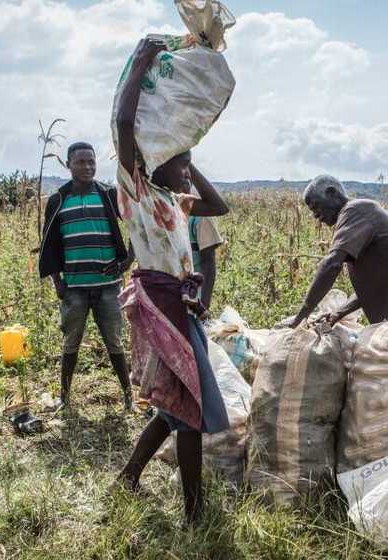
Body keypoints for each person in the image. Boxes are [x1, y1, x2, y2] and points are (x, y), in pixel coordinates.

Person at [111, 38, 231, 523]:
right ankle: (194, 512)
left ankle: (128, 476)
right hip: (161, 307)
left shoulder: (175, 202)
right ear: (154, 162)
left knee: (175, 406)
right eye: (179, 164)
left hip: (181, 308)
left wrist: (186, 157)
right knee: (189, 409)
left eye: (187, 164)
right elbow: (124, 125)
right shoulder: (138, 191)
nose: (186, 172)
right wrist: (142, 62)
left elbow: (219, 205)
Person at [39, 141, 133, 411]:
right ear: (68, 165)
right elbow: (49, 244)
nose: (88, 167)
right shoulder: (58, 200)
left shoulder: (109, 195)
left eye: (91, 162)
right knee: (71, 342)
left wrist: (128, 260)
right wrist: (57, 281)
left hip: (108, 286)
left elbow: (137, 224)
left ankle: (128, 396)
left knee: (114, 342)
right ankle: (64, 398)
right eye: (81, 162)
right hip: (74, 287)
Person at [286, 175, 388, 328]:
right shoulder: (356, 215)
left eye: (316, 206)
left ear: (331, 193)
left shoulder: (356, 210)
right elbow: (376, 281)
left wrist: (301, 317)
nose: (315, 215)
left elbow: (332, 264)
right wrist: (338, 313)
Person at [188, 215, 224, 309]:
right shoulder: (177, 212)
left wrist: (203, 304)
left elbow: (208, 262)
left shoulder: (203, 217)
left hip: (194, 296)